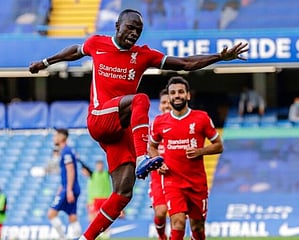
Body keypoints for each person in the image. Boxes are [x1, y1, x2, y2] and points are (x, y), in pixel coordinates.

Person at [29, 8, 247, 240]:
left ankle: (85, 238)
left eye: (139, 30)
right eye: (130, 28)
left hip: (119, 130)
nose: (134, 33)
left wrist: (219, 57)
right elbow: (75, 50)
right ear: (117, 26)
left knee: (123, 193)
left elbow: (184, 63)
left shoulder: (143, 55)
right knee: (141, 100)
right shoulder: (97, 43)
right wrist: (45, 62)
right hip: (99, 118)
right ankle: (144, 157)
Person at [149, 76, 224, 240]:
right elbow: (152, 146)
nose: (177, 95)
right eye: (173, 93)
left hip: (197, 183)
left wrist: (201, 151)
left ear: (188, 95)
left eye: (181, 92)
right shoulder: (159, 122)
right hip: (172, 181)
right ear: (169, 97)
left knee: (197, 227)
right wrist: (157, 162)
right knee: (178, 224)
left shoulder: (201, 118)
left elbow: (219, 145)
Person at [48, 128, 82, 240]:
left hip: (69, 188)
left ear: (62, 137)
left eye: (56, 135)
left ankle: (62, 238)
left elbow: (70, 170)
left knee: (51, 214)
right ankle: (79, 238)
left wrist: (68, 190)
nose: (54, 138)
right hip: (70, 187)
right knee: (72, 216)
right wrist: (62, 187)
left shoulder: (66, 151)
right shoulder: (68, 150)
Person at [149, 88, 171, 240]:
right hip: (158, 177)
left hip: (178, 175)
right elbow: (148, 148)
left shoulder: (182, 123)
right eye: (164, 102)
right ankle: (162, 236)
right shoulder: (153, 125)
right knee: (161, 212)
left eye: (169, 102)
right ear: (159, 105)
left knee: (179, 218)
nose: (166, 105)